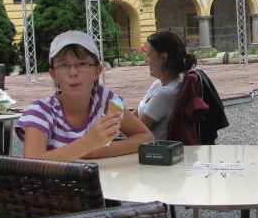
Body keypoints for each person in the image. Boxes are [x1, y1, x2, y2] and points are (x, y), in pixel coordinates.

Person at [16, 30, 153, 160]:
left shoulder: (108, 100)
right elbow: (31, 164)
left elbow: (146, 137)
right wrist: (87, 144)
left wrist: (100, 151)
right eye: (63, 65)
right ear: (54, 75)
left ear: (97, 71)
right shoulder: (39, 111)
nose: (73, 72)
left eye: (82, 64)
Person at [137, 31, 197, 140]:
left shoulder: (165, 94)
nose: (146, 61)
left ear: (163, 57)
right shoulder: (158, 84)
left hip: (149, 149)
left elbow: (135, 132)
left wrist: (112, 106)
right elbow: (133, 116)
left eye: (149, 56)